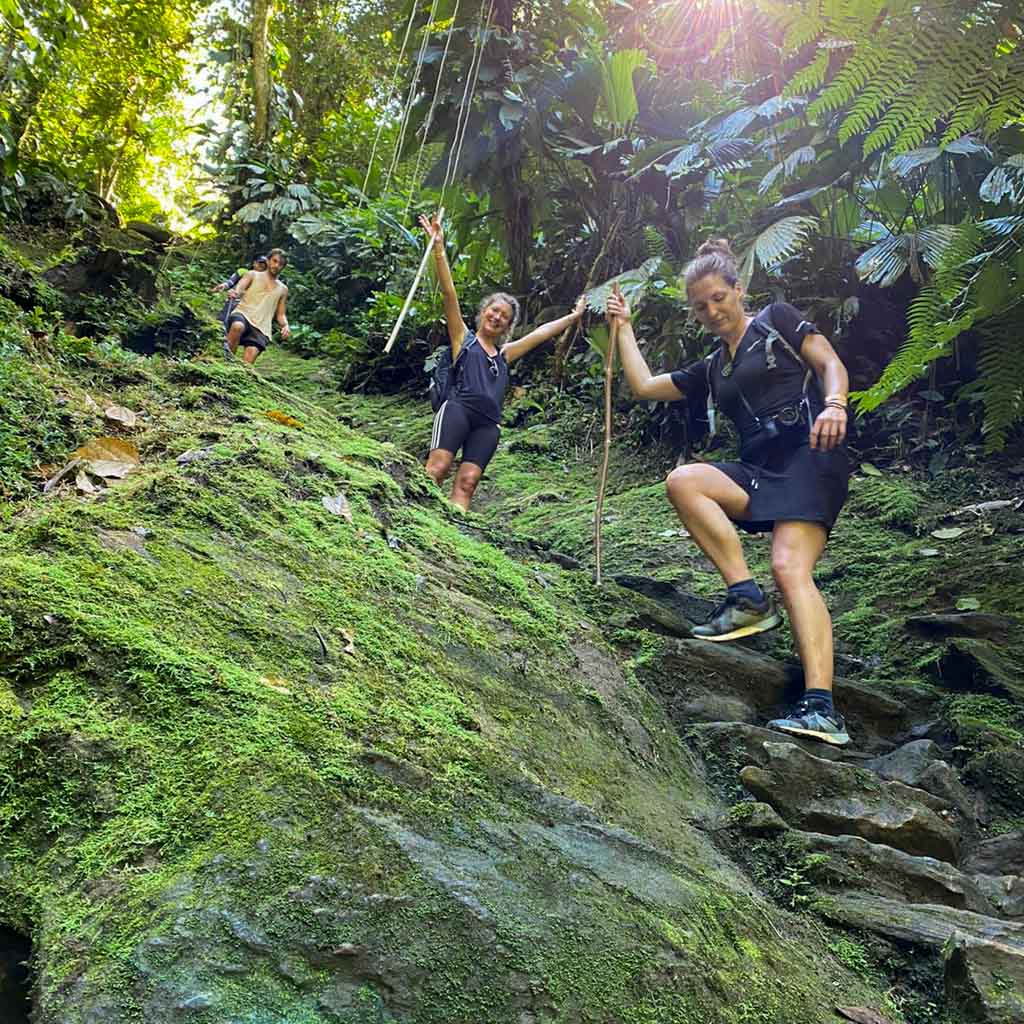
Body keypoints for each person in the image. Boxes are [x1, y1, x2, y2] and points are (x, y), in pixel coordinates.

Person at [607, 238, 852, 746]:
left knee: (789, 567)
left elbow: (829, 361)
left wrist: (835, 404)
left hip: (810, 454)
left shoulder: (777, 321)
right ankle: (746, 599)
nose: (712, 311)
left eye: (719, 298)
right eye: (701, 306)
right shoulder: (714, 366)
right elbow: (645, 386)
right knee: (684, 481)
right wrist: (624, 327)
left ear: (739, 290)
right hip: (759, 470)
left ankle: (822, 708)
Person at [420, 213, 586, 511]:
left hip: (488, 424)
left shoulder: (505, 354)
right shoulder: (463, 339)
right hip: (458, 410)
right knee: (438, 467)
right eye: (493, 311)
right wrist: (439, 249)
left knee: (468, 481)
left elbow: (540, 333)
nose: (497, 317)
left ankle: (452, 526)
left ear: (508, 326)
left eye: (504, 317)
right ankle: (417, 516)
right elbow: (449, 294)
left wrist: (573, 317)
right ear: (484, 312)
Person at [224, 248, 291, 364]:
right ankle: (226, 361)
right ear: (268, 261)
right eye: (274, 261)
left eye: (280, 264)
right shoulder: (252, 274)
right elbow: (239, 288)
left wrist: (285, 325)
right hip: (243, 314)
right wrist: (235, 292)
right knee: (237, 326)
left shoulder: (283, 289)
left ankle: (237, 372)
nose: (276, 266)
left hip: (262, 327)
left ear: (283, 267)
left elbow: (280, 314)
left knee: (248, 363)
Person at [212, 255, 268, 328]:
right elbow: (231, 282)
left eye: (264, 266)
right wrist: (224, 285)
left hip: (247, 307)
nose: (261, 266)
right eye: (260, 264)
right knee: (222, 320)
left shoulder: (264, 282)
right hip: (233, 300)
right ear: (254, 263)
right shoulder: (242, 272)